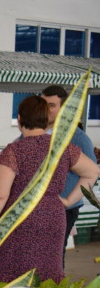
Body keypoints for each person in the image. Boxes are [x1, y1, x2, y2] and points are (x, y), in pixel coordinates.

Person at [0, 95, 100, 283]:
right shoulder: (63, 148)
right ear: (47, 121)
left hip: (19, 219)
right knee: (47, 274)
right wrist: (68, 201)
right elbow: (93, 172)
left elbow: (0, 196)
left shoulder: (13, 151)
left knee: (14, 274)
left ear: (20, 119)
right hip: (53, 216)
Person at [40, 85, 99, 264]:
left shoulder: (78, 138)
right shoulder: (33, 133)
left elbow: (92, 175)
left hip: (63, 209)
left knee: (54, 257)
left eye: (51, 105)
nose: (45, 109)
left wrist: (68, 201)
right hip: (37, 207)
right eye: (42, 103)